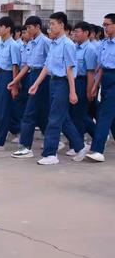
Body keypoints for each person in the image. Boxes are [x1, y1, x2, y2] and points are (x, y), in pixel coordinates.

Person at [28, 12, 88, 165]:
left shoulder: (67, 44)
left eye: (53, 24)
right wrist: (36, 84)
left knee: (54, 119)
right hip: (53, 82)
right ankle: (80, 147)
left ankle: (50, 154)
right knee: (63, 118)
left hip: (63, 84)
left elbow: (69, 69)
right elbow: (47, 66)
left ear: (61, 25)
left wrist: (73, 92)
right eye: (50, 24)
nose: (50, 27)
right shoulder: (53, 43)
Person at [10, 16, 51, 159]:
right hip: (32, 76)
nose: (27, 30)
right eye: (26, 28)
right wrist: (15, 80)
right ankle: (69, 143)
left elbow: (49, 64)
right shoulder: (31, 43)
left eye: (29, 27)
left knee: (29, 113)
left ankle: (25, 147)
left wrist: (38, 82)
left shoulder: (45, 42)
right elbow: (27, 65)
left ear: (37, 27)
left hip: (42, 78)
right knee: (42, 113)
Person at [0, 16, 21, 151]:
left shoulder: (13, 45)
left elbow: (15, 67)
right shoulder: (0, 45)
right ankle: (18, 130)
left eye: (1, 27)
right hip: (0, 77)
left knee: (4, 111)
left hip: (8, 77)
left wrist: (14, 84)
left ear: (8, 28)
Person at [86, 13, 115, 162]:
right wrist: (95, 86)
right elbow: (101, 67)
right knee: (112, 116)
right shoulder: (104, 44)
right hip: (106, 79)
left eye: (107, 24)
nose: (105, 27)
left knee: (104, 114)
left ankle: (97, 149)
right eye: (103, 24)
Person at [65, 21, 97, 154]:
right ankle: (97, 136)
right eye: (73, 31)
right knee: (75, 114)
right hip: (73, 82)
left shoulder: (90, 49)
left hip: (83, 82)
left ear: (86, 33)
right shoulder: (74, 47)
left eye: (77, 31)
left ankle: (76, 145)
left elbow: (90, 73)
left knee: (78, 115)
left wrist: (89, 91)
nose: (74, 34)